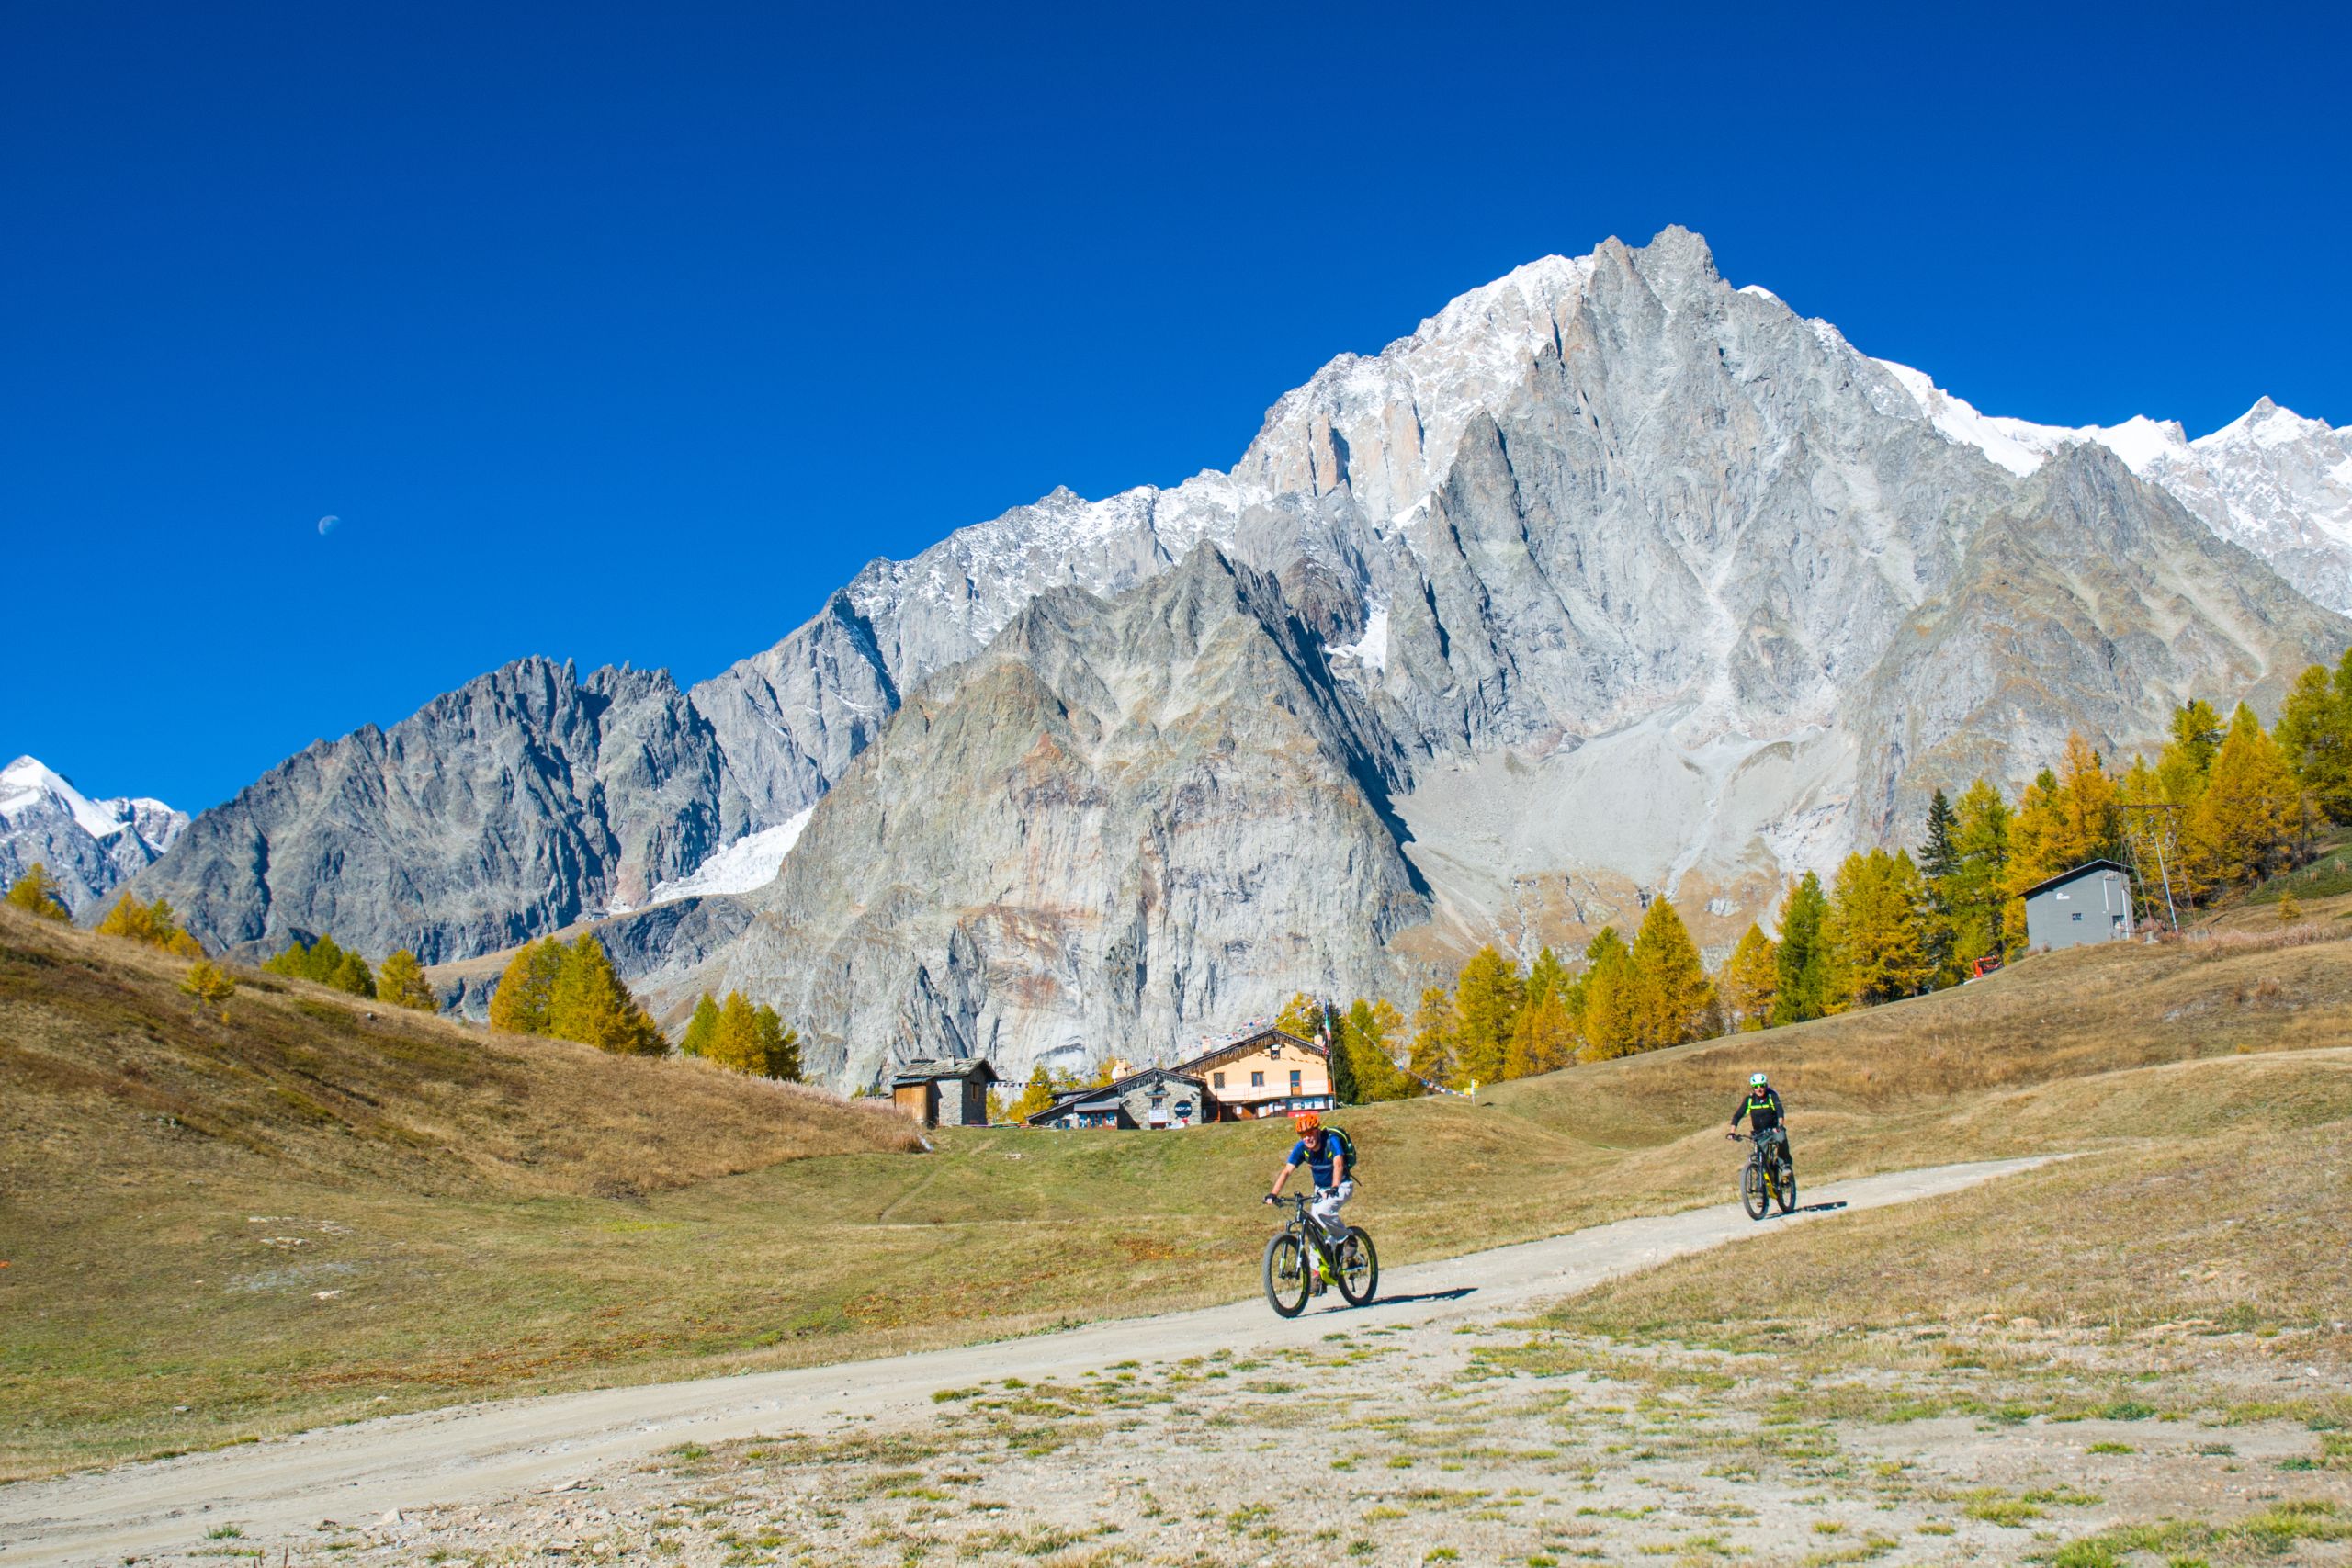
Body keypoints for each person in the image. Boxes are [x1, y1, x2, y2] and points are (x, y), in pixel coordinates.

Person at [1265, 1111, 1354, 1281]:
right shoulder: (1302, 1149)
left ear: (1318, 1131)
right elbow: (1287, 1171)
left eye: (1311, 1133)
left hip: (1341, 1185)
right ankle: (1317, 1275)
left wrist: (1335, 1187)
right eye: (1303, 1135)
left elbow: (1338, 1163)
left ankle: (1347, 1238)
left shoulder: (1331, 1140)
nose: (1308, 1138)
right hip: (1321, 1189)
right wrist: (1273, 1194)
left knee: (1323, 1211)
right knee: (1313, 1230)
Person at [1727, 1070, 1792, 1186]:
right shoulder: (1750, 1100)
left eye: (1761, 1086)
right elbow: (1737, 1115)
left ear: (1765, 1085)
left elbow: (1779, 1111)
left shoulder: (1772, 1096)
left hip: (1773, 1130)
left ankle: (1785, 1166)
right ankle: (1760, 1188)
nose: (1759, 1089)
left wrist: (1780, 1125)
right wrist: (1732, 1132)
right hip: (1759, 1133)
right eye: (1756, 1087)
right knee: (1759, 1159)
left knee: (1781, 1138)